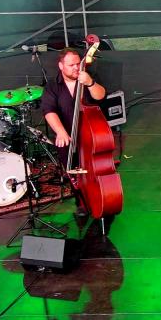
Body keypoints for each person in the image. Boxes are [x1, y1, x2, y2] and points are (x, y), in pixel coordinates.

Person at [40, 47, 106, 216]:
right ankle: (81, 201)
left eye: (78, 64)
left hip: (91, 134)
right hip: (67, 136)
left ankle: (102, 195)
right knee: (73, 171)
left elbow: (101, 95)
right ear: (61, 66)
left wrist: (90, 83)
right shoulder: (52, 86)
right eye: (71, 65)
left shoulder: (88, 77)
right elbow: (49, 111)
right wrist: (60, 131)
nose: (76, 68)